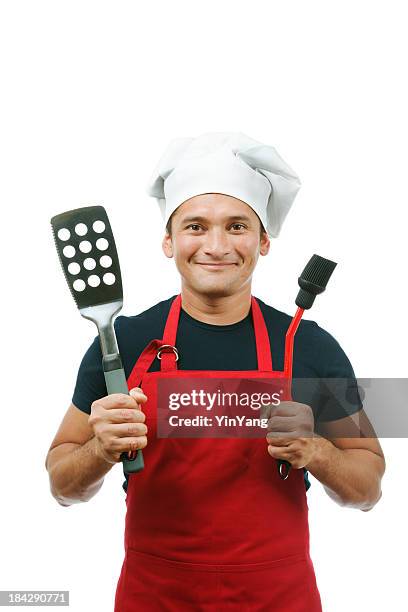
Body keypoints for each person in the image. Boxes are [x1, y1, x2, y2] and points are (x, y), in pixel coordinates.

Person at [45, 132, 385, 611]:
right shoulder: (120, 344)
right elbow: (61, 485)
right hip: (155, 594)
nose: (217, 245)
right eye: (196, 226)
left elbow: (369, 486)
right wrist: (100, 448)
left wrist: (316, 450)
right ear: (169, 240)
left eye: (238, 226)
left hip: (277, 596)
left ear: (264, 240)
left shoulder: (309, 345)